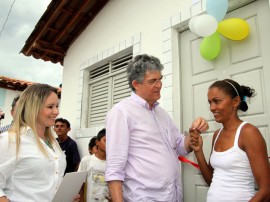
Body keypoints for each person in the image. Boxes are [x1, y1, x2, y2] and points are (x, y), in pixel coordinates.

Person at [105, 54, 209, 202]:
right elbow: (114, 168)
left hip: (172, 196)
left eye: (160, 79)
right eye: (153, 81)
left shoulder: (162, 114)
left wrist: (193, 134)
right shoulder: (121, 112)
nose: (159, 85)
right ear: (136, 84)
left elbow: (180, 146)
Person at [190, 79, 270, 201]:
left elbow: (266, 191)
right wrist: (198, 151)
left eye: (216, 101)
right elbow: (211, 181)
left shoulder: (248, 132)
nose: (212, 108)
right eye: (210, 102)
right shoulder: (217, 135)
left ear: (235, 101)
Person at [0, 84, 79, 202]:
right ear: (33, 108)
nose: (56, 112)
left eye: (57, 106)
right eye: (50, 106)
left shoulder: (53, 142)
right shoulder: (12, 140)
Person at [78, 128, 110, 202]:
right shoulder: (87, 160)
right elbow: (80, 184)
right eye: (105, 140)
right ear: (97, 142)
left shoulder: (113, 163)